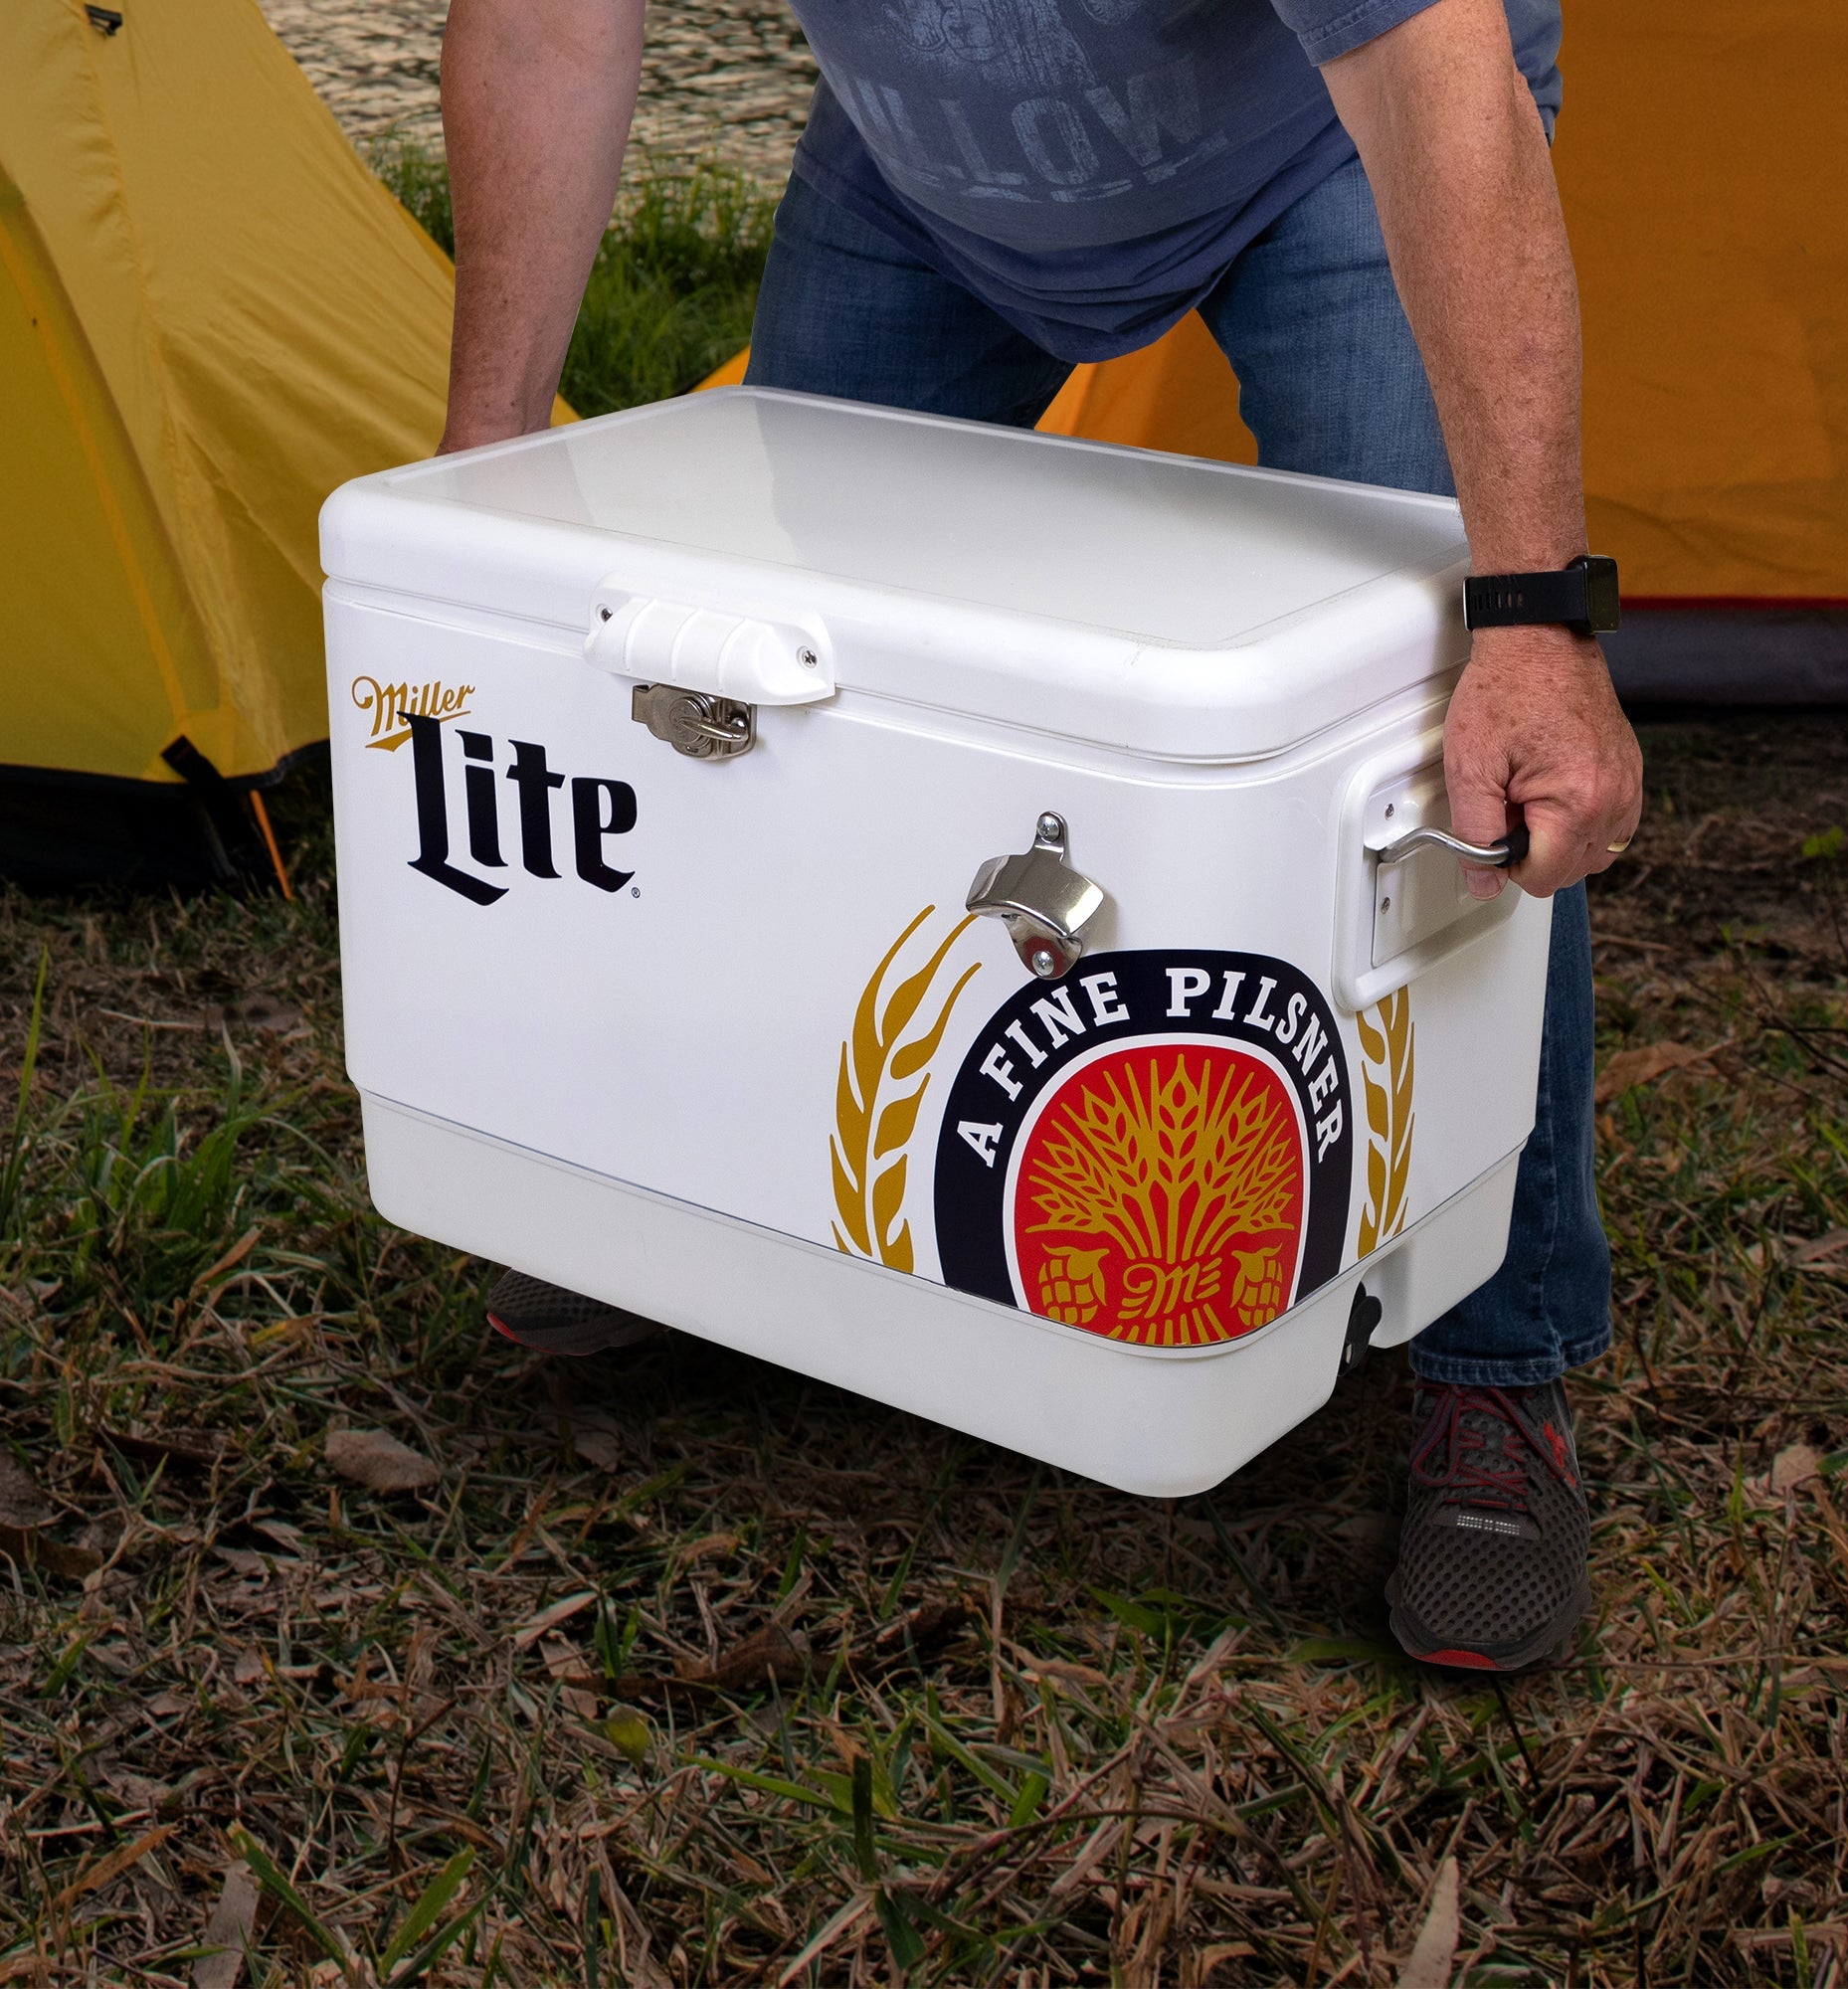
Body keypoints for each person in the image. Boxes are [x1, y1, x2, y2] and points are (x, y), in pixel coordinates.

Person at [436, 0, 1644, 1673]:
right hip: (922, 172)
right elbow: (542, 29)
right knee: (785, 691)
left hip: (1324, 142)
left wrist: (1529, 620)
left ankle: (1496, 1366)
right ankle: (703, 1212)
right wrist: (484, 465)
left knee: (1453, 718)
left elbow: (1436, 86)